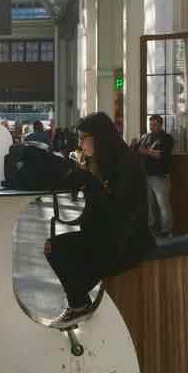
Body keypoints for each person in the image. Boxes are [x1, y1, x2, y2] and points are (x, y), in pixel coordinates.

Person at [43, 112, 155, 329]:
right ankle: (79, 303)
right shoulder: (103, 161)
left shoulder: (126, 164)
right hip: (107, 237)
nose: (80, 144)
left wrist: (90, 180)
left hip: (127, 243)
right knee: (54, 248)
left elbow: (117, 211)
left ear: (99, 137)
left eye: (83, 138)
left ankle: (79, 306)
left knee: (60, 252)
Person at [133, 114, 174, 237]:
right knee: (149, 206)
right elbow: (136, 151)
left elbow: (160, 155)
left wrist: (144, 151)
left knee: (163, 206)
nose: (152, 127)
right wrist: (134, 145)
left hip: (160, 176)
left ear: (161, 125)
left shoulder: (166, 138)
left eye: (155, 124)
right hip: (145, 175)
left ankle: (167, 230)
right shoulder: (145, 137)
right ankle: (151, 230)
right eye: (150, 124)